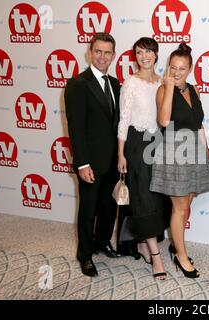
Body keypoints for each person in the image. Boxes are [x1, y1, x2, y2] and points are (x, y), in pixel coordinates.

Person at [150, 43, 209, 278]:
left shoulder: (194, 90)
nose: (176, 72)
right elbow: (164, 121)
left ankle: (176, 246)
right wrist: (167, 87)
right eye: (172, 68)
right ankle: (181, 256)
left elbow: (198, 125)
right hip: (173, 153)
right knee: (180, 208)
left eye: (182, 68)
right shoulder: (162, 90)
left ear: (190, 69)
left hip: (194, 152)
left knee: (186, 205)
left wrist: (206, 157)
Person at [65, 32, 122, 277]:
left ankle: (102, 242)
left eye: (107, 52)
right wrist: (82, 163)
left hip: (112, 161)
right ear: (90, 52)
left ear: (113, 55)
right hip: (90, 162)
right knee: (88, 209)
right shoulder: (78, 83)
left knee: (109, 207)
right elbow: (75, 128)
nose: (102, 56)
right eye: (98, 51)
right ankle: (85, 254)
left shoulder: (116, 84)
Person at [117, 37, 168, 280]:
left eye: (148, 51)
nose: (144, 56)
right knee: (144, 197)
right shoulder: (130, 83)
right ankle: (156, 258)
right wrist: (120, 153)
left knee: (157, 196)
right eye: (139, 52)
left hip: (159, 142)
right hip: (137, 144)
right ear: (134, 56)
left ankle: (145, 243)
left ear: (156, 54)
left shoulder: (163, 82)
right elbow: (124, 120)